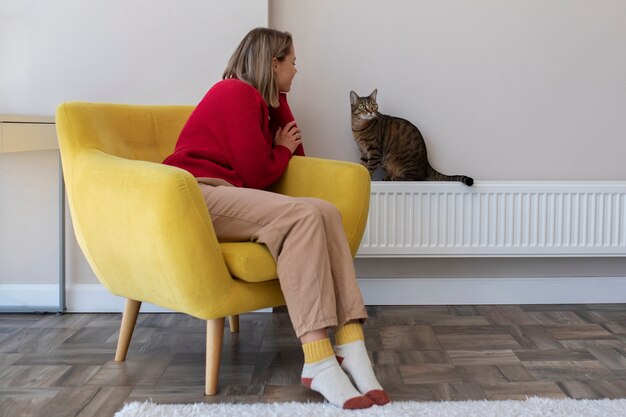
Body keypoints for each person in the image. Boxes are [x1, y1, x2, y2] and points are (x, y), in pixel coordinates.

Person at [163, 27, 389, 410]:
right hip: (197, 194)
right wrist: (280, 144)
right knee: (303, 216)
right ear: (273, 63)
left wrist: (279, 98)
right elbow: (256, 174)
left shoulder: (261, 101)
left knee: (325, 211)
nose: (297, 70)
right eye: (292, 62)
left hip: (228, 195)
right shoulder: (235, 92)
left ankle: (351, 345)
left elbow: (296, 162)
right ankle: (317, 358)